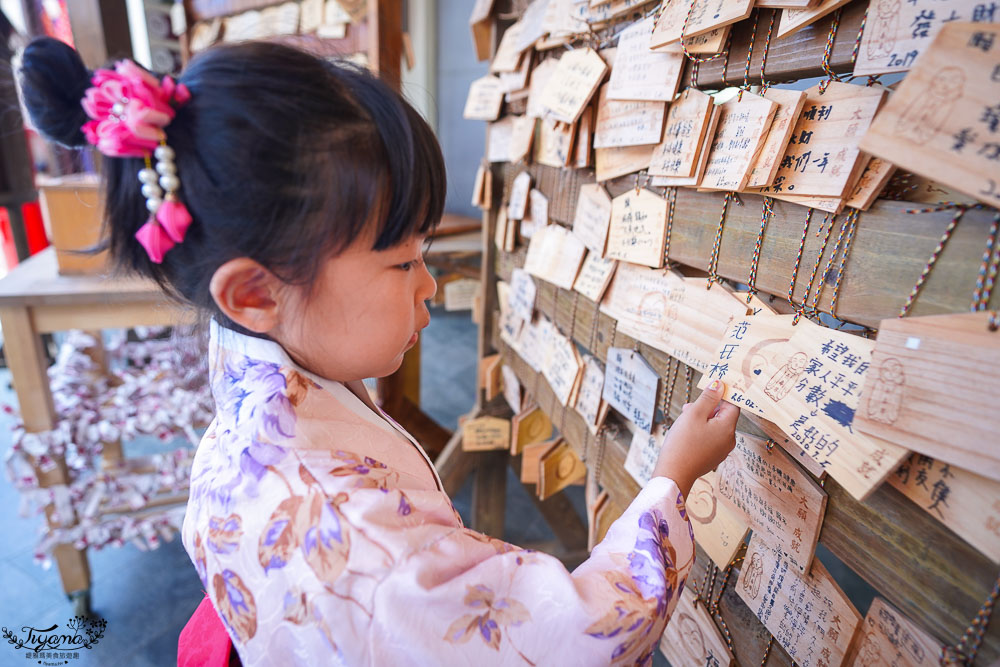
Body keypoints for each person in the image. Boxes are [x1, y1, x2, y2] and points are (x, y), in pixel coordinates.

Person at [18, 37, 739, 666]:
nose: (428, 286)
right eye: (401, 262)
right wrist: (672, 476)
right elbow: (573, 638)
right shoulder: (368, 553)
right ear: (255, 292)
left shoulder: (247, 343)